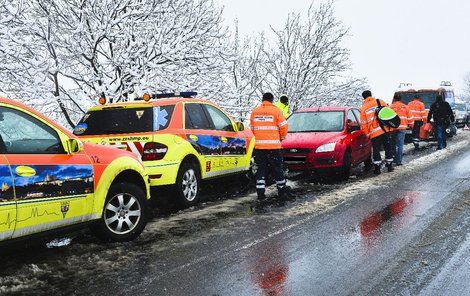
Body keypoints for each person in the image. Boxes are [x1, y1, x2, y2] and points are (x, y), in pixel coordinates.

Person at [250, 93, 289, 200]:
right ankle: (281, 191)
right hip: (274, 147)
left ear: (263, 100)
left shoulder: (255, 112)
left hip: (259, 148)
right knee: (277, 169)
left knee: (261, 169)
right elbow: (284, 126)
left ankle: (260, 192)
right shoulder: (276, 111)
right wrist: (282, 137)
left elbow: (252, 128)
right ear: (272, 100)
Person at [360, 90, 394, 175]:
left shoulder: (364, 108)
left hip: (374, 133)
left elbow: (364, 124)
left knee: (376, 150)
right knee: (388, 147)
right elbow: (389, 113)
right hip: (385, 130)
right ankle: (389, 166)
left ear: (364, 98)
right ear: (371, 95)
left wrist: (368, 134)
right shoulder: (380, 101)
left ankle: (377, 168)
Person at [390, 93, 414, 165]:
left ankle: (393, 158)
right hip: (402, 127)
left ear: (394, 99)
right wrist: (411, 125)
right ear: (401, 99)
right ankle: (399, 161)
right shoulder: (405, 107)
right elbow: (410, 118)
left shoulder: (390, 107)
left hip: (393, 128)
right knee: (400, 144)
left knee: (392, 144)